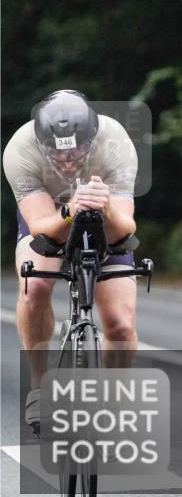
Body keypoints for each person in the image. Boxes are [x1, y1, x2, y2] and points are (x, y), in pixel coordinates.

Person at [2, 90, 139, 429]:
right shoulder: (21, 149)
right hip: (51, 215)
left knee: (120, 323)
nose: (67, 161)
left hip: (103, 216)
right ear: (41, 142)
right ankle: (39, 386)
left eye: (78, 150)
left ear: (92, 139)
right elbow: (40, 230)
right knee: (35, 286)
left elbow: (124, 231)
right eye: (56, 153)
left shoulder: (115, 143)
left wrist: (104, 207)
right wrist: (68, 212)